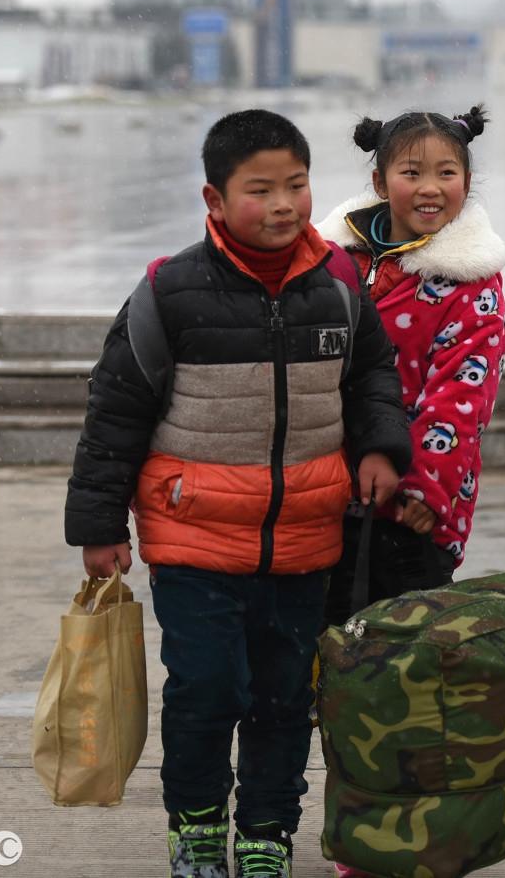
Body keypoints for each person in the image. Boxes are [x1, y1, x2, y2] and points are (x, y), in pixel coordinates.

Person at [64, 108, 413, 878]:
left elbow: (373, 380)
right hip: (193, 545)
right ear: (214, 200)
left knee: (287, 699)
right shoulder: (169, 292)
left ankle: (266, 833)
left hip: (306, 541)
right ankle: (195, 825)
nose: (285, 204)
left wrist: (385, 448)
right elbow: (115, 409)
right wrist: (98, 523)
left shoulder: (340, 287)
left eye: (296, 184)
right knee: (205, 691)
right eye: (261, 189)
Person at [315, 106, 505, 876]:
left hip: (413, 515)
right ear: (378, 179)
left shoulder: (473, 282)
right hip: (324, 500)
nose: (430, 189)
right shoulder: (332, 264)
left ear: (467, 180)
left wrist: (416, 487)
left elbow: (462, 401)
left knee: (406, 679)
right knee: (334, 677)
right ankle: (355, 826)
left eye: (447, 173)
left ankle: (401, 840)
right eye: (412, 172)